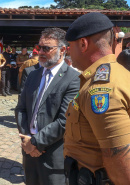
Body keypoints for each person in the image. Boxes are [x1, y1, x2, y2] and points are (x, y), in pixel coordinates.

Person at [63, 12, 130, 185]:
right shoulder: (120, 74)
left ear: (83, 44)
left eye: (70, 47)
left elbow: (122, 167)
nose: (68, 52)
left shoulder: (101, 89)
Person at [15, 27, 80, 185]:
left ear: (63, 50)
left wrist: (36, 142)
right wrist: (27, 141)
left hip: (53, 158)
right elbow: (21, 109)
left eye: (47, 48)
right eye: (39, 47)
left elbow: (64, 121)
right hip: (29, 154)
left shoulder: (73, 79)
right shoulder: (32, 75)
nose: (40, 52)